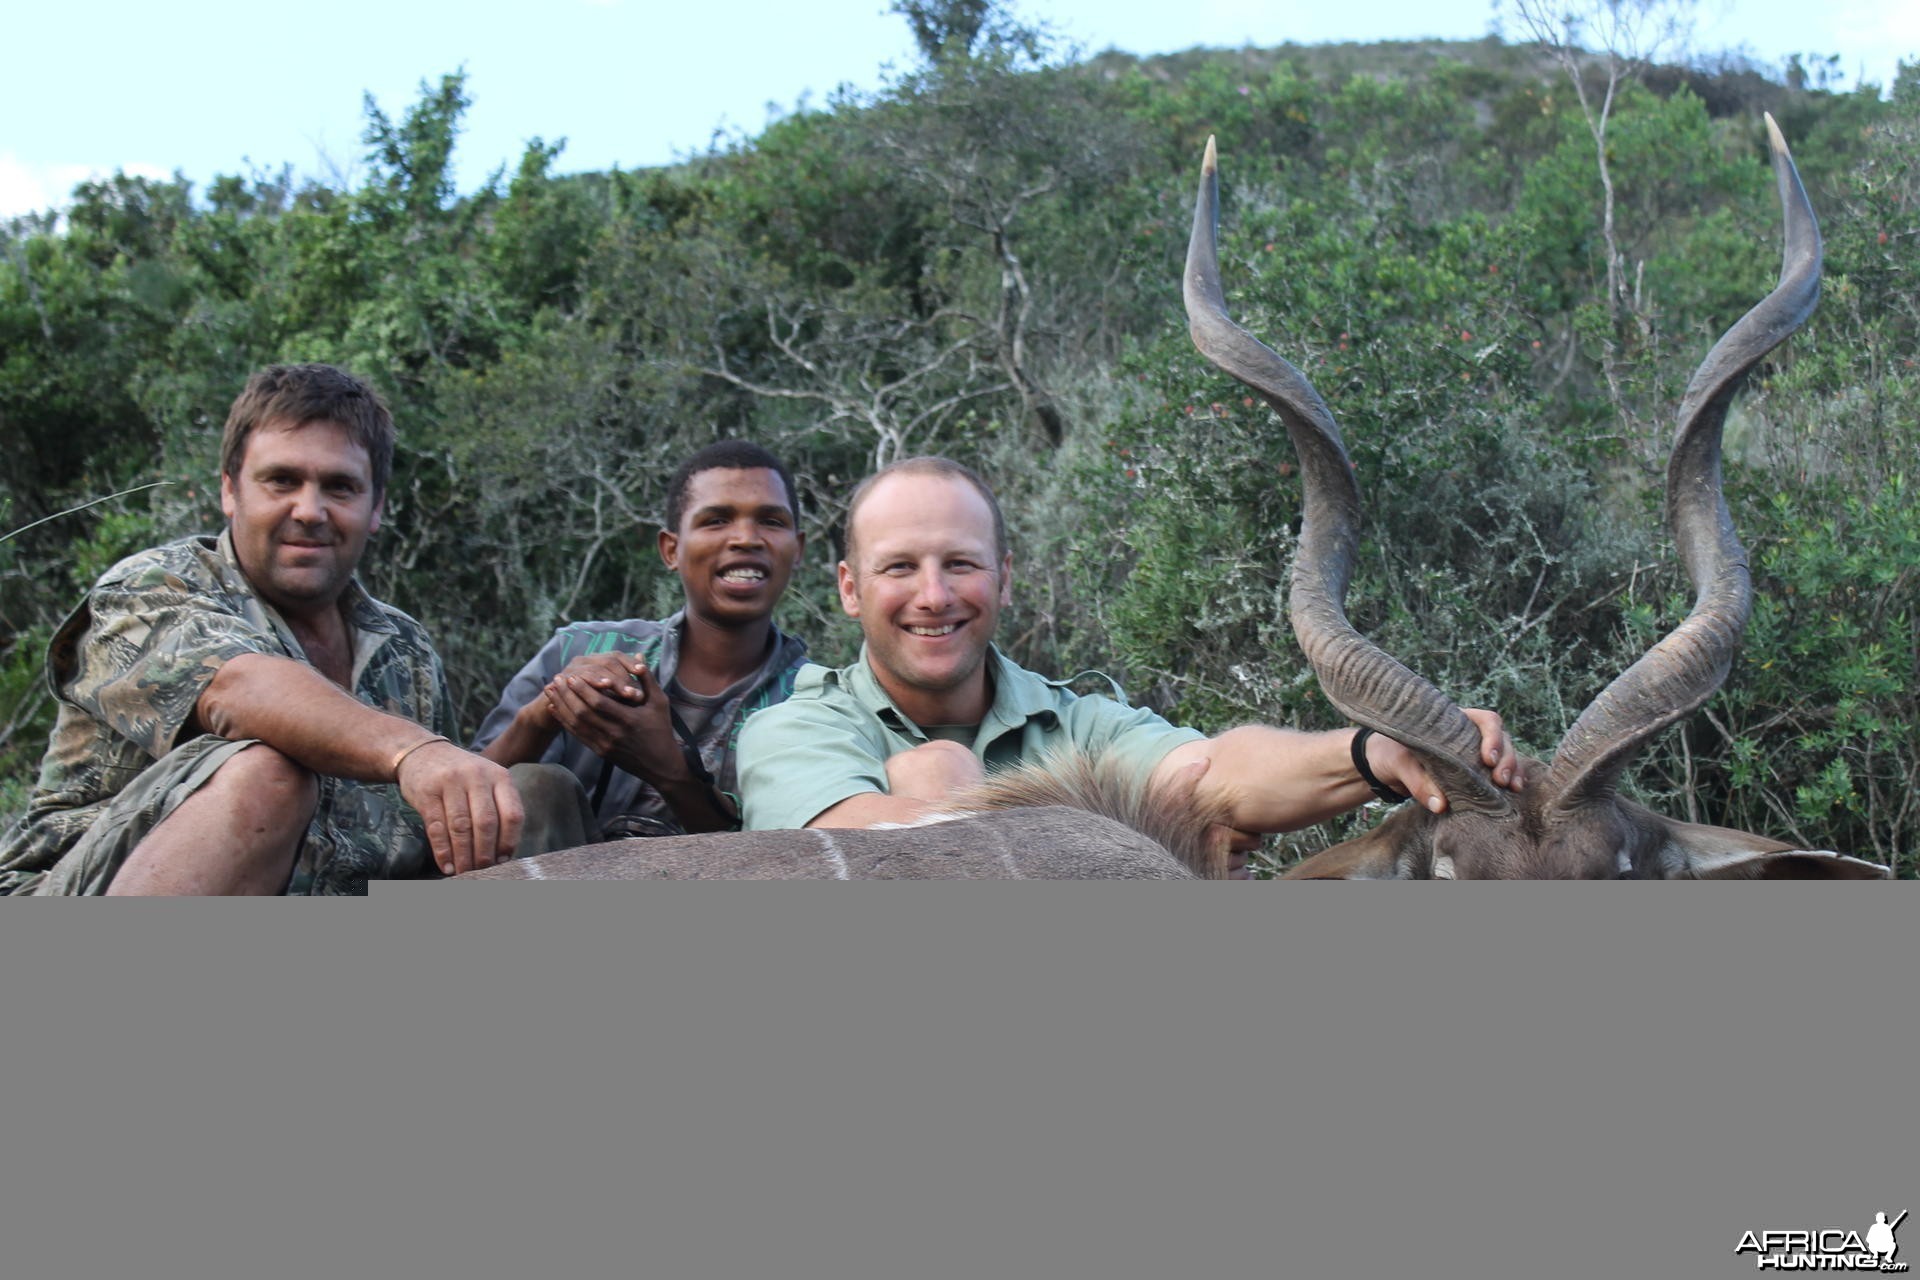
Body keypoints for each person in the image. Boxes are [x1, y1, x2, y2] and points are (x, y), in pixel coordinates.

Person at [737, 456, 1524, 867]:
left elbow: (1214, 771)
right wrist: (1132, 833)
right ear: (849, 588)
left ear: (1006, 577)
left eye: (962, 565)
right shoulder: (793, 730)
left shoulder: (1073, 719)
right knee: (936, 772)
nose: (934, 595)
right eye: (900, 568)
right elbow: (884, 851)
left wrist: (1373, 752)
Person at [0, 363, 570, 896]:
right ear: (230, 490)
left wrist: (534, 722)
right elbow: (237, 689)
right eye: (281, 481)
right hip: (71, 893)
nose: (309, 510)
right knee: (267, 774)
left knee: (537, 792)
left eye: (340, 487)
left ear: (375, 509)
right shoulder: (153, 589)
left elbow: (438, 816)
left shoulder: (405, 648)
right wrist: (413, 750)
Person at [473, 441, 809, 837]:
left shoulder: (814, 701)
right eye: (716, 520)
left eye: (771, 521)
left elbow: (785, 859)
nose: (746, 539)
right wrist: (544, 713)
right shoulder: (578, 651)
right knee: (536, 785)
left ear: (798, 549)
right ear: (671, 549)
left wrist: (667, 769)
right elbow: (466, 793)